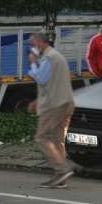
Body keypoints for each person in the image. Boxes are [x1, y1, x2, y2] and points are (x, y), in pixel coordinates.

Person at [27, 33, 75, 189]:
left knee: (42, 137)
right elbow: (51, 83)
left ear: (40, 43)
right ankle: (60, 178)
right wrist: (37, 100)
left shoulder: (49, 58)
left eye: (32, 44)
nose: (32, 48)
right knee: (56, 139)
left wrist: (33, 63)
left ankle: (62, 170)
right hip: (65, 102)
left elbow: (41, 79)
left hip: (54, 105)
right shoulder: (55, 56)